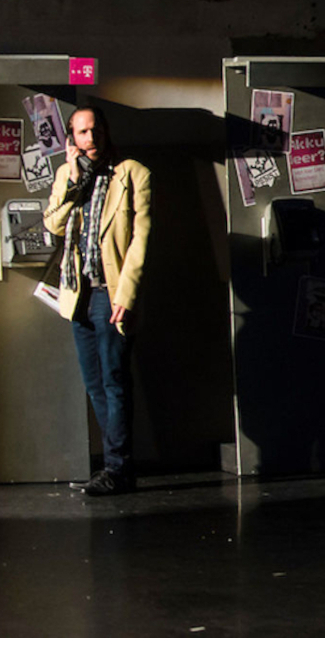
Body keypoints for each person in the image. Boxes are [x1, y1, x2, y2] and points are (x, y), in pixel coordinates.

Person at [43, 106, 151, 496]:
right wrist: (74, 181)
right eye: (83, 132)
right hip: (79, 295)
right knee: (94, 384)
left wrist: (127, 294)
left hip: (111, 292)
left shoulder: (132, 173)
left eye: (96, 130)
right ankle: (117, 467)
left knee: (114, 380)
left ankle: (117, 468)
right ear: (72, 139)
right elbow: (53, 224)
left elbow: (140, 238)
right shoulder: (66, 174)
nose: (91, 138)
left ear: (105, 131)